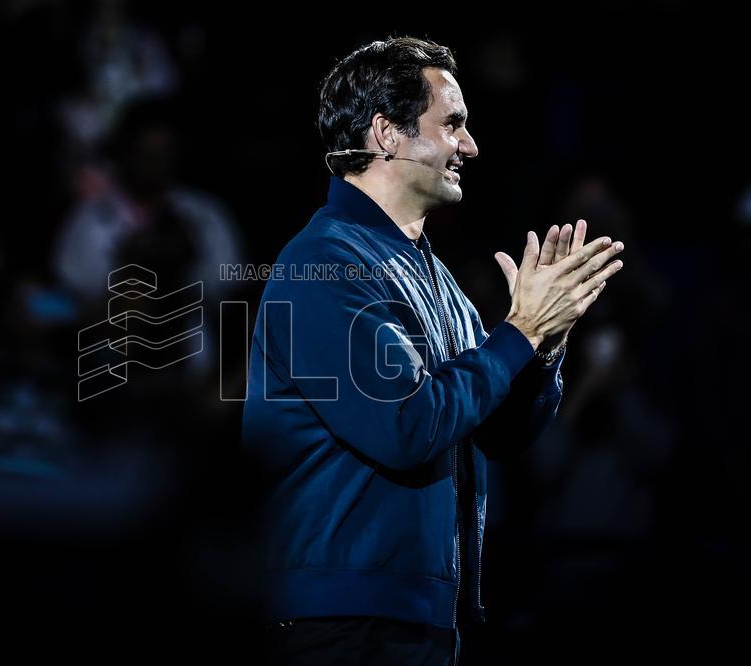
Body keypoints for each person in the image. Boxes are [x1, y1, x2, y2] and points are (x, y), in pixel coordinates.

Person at [241, 36, 625, 664]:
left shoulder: (434, 279)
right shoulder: (324, 264)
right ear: (386, 133)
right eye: (452, 124)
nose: (469, 146)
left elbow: (499, 434)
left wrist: (545, 340)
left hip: (419, 616)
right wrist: (519, 331)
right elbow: (405, 424)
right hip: (337, 622)